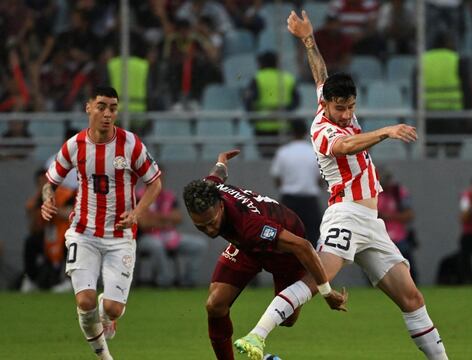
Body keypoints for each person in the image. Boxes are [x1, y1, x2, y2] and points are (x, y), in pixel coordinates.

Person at [234, 11, 448, 360]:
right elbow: (345, 146)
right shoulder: (322, 129)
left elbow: (321, 73)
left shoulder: (330, 98)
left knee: (412, 298)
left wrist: (308, 39)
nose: (347, 114)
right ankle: (257, 336)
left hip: (372, 224)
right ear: (327, 106)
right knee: (318, 279)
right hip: (345, 214)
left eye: (350, 107)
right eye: (341, 108)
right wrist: (385, 131)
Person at [182, 149, 347, 360]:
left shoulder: (250, 225)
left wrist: (326, 292)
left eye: (212, 223)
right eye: (201, 226)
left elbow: (304, 247)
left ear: (221, 207)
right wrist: (222, 160)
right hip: (246, 248)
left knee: (288, 320)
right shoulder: (208, 190)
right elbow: (218, 174)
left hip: (283, 254)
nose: (210, 230)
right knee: (215, 305)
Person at [40, 86, 162, 360]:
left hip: (120, 237)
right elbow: (50, 182)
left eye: (113, 108)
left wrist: (137, 213)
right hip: (83, 233)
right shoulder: (74, 145)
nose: (107, 114)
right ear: (88, 107)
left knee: (113, 309)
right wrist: (48, 199)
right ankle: (105, 358)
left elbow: (154, 183)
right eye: (102, 106)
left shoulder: (131, 144)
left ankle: (108, 315)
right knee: (84, 302)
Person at [136, 186, 207, 288]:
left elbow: (178, 218)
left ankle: (187, 281)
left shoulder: (169, 196)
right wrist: (167, 219)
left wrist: (154, 217)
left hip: (170, 236)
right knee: (156, 245)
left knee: (200, 244)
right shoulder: (140, 196)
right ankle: (164, 281)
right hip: (146, 237)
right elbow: (143, 223)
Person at [270, 119, 323, 247]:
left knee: (286, 239)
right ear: (305, 132)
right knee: (312, 239)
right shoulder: (314, 152)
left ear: (291, 133)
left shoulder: (283, 152)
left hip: (289, 201)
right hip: (310, 202)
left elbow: (277, 179)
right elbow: (321, 179)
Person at [243, 51, 300, 158]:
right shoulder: (288, 78)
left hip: (263, 126)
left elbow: (248, 101)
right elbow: (296, 102)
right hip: (284, 126)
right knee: (284, 158)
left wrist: (252, 119)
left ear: (262, 63)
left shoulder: (258, 78)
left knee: (267, 159)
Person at [377, 168, 418, 281]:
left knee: (407, 268)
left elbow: (409, 215)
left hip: (400, 237)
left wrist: (386, 216)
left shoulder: (399, 193)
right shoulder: (373, 194)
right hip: (379, 237)